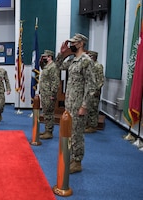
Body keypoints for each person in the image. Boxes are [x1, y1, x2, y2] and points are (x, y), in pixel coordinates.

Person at [55, 33, 96, 174]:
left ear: (81, 44)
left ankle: (77, 162)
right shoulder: (73, 60)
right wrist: (62, 54)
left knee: (77, 133)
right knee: (70, 132)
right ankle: (73, 157)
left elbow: (92, 86)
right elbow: (58, 66)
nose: (71, 45)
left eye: (73, 42)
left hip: (79, 105)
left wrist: (84, 106)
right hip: (70, 103)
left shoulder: (86, 61)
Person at [38, 50, 60, 139]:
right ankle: (47, 130)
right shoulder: (47, 66)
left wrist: (53, 94)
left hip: (49, 94)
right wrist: (40, 61)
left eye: (45, 57)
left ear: (50, 57)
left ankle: (49, 132)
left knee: (49, 113)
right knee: (46, 112)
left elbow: (55, 81)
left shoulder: (53, 67)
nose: (43, 58)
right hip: (45, 93)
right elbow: (42, 66)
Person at [85, 50, 104, 133]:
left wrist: (96, 90)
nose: (89, 58)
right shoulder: (89, 66)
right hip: (88, 90)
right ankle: (88, 124)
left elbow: (101, 80)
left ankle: (93, 126)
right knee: (88, 108)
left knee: (93, 109)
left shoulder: (98, 66)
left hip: (94, 91)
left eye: (90, 56)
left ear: (94, 57)